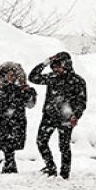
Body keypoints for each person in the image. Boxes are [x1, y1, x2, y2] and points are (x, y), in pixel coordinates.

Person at [29, 51, 87, 179]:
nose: (55, 69)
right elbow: (32, 77)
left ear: (66, 65)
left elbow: (81, 102)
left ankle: (65, 173)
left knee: (64, 145)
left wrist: (75, 116)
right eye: (53, 66)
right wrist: (45, 63)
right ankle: (50, 167)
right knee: (41, 141)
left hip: (66, 117)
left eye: (58, 66)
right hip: (49, 115)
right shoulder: (52, 78)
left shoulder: (77, 81)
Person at [0, 62, 37, 174]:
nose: (12, 78)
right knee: (5, 142)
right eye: (10, 75)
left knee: (12, 142)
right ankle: (9, 162)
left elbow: (30, 103)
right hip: (1, 120)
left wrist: (27, 91)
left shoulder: (20, 89)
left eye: (14, 75)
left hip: (16, 120)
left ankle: (9, 162)